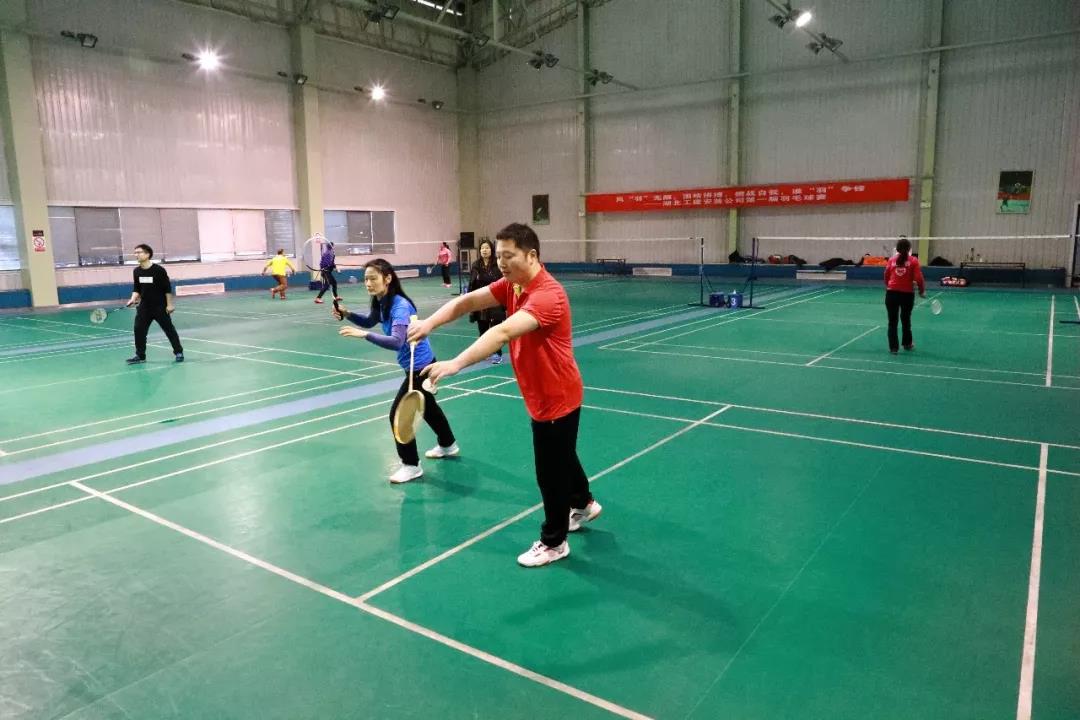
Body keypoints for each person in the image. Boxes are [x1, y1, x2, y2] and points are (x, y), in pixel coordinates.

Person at [409, 223, 600, 568]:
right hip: (543, 393)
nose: (501, 262)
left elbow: (502, 332)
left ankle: (554, 542)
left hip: (555, 396)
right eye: (498, 255)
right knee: (562, 454)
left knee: (549, 472)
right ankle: (583, 502)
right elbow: (468, 301)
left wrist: (455, 363)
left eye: (508, 256)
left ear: (532, 256)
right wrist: (428, 324)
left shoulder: (548, 294)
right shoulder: (513, 284)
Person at [335, 258, 458, 484]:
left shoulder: (400, 306)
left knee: (398, 415)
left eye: (373, 278)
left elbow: (396, 341)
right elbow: (370, 321)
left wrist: (364, 336)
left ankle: (411, 465)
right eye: (366, 279)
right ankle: (448, 444)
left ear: (388, 278)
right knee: (429, 408)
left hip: (419, 367)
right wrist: (348, 313)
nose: (368, 283)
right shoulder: (381, 301)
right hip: (417, 363)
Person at [125, 244, 184, 364]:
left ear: (147, 254)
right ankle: (140, 356)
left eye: (139, 252)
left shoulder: (159, 270)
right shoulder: (136, 271)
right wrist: (132, 299)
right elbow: (137, 288)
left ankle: (178, 352)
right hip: (144, 307)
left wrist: (169, 304)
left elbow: (167, 288)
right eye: (135, 253)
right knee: (139, 330)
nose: (136, 255)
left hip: (160, 306)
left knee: (169, 329)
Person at [467, 238, 507, 364]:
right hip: (480, 301)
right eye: (482, 248)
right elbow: (472, 284)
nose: (485, 250)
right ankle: (484, 352)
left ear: (491, 249)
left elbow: (504, 281)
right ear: (480, 250)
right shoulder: (476, 265)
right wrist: (470, 302)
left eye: (487, 248)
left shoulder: (498, 263)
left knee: (496, 329)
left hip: (496, 300)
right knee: (483, 329)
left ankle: (497, 353)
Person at [884, 236, 926, 354]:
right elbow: (919, 278)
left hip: (891, 294)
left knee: (892, 322)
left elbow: (886, 275)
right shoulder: (913, 260)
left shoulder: (891, 260)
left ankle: (893, 348)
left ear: (897, 249)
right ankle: (907, 344)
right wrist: (921, 291)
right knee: (906, 320)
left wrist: (889, 286)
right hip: (907, 295)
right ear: (909, 249)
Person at [314, 240, 340, 305]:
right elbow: (326, 263)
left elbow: (331, 263)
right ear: (332, 246)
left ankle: (336, 297)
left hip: (328, 272)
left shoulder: (330, 253)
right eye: (333, 246)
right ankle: (318, 298)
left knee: (334, 283)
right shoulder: (328, 253)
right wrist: (325, 268)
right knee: (327, 285)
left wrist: (335, 268)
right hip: (326, 272)